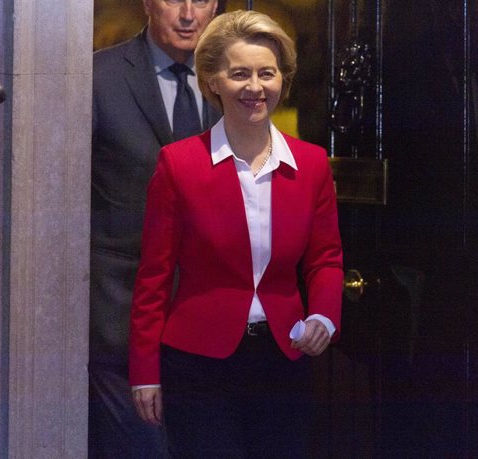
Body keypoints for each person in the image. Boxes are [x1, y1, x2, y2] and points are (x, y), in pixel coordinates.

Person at [129, 10, 344, 458]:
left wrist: (323, 317)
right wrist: (145, 371)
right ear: (213, 81)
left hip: (284, 358)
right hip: (198, 367)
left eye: (267, 73)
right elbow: (153, 277)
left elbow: (325, 258)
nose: (255, 87)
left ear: (282, 79)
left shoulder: (313, 164)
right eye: (239, 74)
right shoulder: (178, 164)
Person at [89, 0, 221, 457]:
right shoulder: (98, 77)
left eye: (201, 0)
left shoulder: (233, 80)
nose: (188, 14)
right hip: (119, 325)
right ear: (147, 3)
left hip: (210, 331)